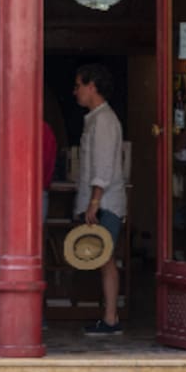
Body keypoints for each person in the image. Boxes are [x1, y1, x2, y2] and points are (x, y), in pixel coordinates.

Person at [72, 64, 126, 336]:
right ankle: (109, 317)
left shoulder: (104, 120)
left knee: (105, 258)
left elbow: (103, 166)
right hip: (100, 202)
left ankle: (111, 319)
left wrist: (94, 201)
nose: (75, 92)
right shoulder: (97, 118)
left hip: (105, 203)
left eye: (78, 85)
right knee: (103, 258)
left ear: (92, 86)